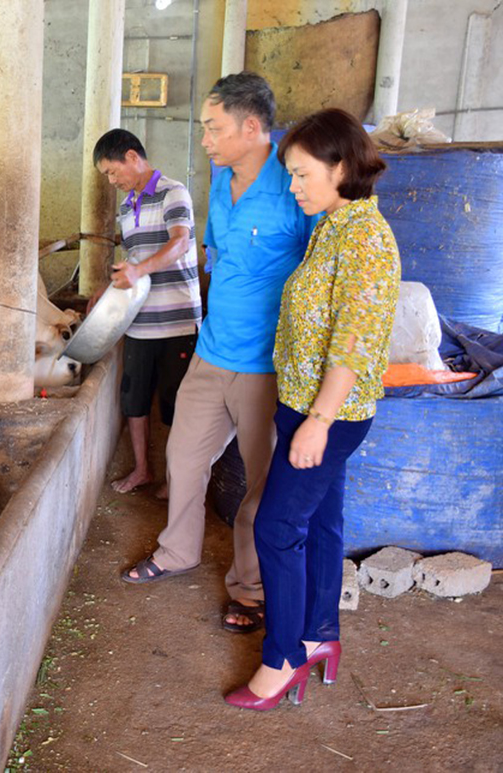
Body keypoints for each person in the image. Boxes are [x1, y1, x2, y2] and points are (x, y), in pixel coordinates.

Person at [122, 72, 318, 637]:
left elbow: (317, 273)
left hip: (266, 367)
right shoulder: (221, 177)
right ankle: (178, 550)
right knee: (183, 460)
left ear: (251, 127)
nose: (204, 139)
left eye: (214, 128)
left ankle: (250, 587)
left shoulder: (296, 185)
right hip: (212, 353)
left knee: (261, 485)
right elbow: (216, 259)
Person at [225, 108, 400, 709]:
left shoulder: (367, 240)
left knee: (277, 527)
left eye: (302, 175)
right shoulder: (334, 225)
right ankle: (321, 634)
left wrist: (318, 423)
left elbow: (353, 340)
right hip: (304, 404)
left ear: (342, 167)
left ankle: (282, 658)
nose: (294, 187)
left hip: (329, 414)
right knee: (321, 521)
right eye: (291, 175)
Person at [89, 129, 201, 497]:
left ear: (133, 157)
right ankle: (142, 470)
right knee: (134, 401)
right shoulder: (126, 207)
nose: (112, 180)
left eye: (112, 171)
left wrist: (140, 270)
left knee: (176, 406)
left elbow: (180, 242)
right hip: (138, 323)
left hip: (177, 322)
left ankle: (175, 477)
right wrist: (106, 290)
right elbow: (134, 262)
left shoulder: (173, 192)